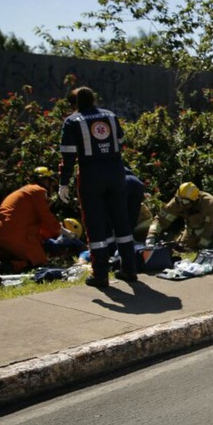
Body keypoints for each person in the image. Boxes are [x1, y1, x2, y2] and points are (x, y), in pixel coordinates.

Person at [58, 86, 139, 287]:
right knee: (122, 222)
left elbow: (68, 156)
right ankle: (129, 269)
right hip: (116, 171)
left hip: (91, 175)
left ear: (75, 104)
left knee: (95, 225)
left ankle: (100, 274)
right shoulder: (110, 116)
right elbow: (120, 141)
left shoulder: (72, 121)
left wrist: (63, 183)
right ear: (94, 99)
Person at [0, 166, 63, 272]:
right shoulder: (38, 191)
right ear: (46, 180)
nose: (52, 189)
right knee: (39, 262)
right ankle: (3, 267)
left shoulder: (26, 191)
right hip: (14, 236)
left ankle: (1, 265)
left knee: (24, 257)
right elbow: (46, 217)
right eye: (53, 185)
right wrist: (62, 232)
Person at [145, 182, 213, 251]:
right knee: (182, 247)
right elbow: (161, 219)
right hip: (191, 229)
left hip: (210, 229)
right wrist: (151, 234)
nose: (181, 204)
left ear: (195, 200)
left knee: (208, 247)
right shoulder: (177, 202)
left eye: (185, 201)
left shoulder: (210, 203)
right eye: (179, 200)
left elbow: (210, 229)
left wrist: (201, 246)